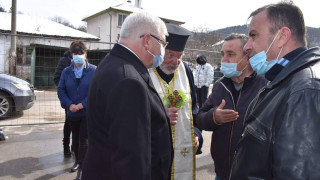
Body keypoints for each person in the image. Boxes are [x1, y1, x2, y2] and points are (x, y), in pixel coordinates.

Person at [230, 2, 320, 179]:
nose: (247, 46)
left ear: (282, 37)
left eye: (253, 36)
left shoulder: (305, 91)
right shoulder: (283, 79)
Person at [82, 11, 173, 180]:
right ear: (147, 41)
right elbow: (131, 160)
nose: (163, 49)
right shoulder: (129, 81)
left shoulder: (114, 64)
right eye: (162, 42)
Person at [196, 33, 267, 180]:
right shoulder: (219, 85)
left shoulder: (266, 87)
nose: (224, 60)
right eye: (223, 54)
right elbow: (200, 118)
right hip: (221, 172)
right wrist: (214, 117)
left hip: (251, 174)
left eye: (230, 54)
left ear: (248, 57)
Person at [149, 23, 203, 180]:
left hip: (182, 145)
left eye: (180, 56)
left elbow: (194, 107)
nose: (175, 62)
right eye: (170, 55)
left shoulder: (185, 70)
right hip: (154, 149)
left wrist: (196, 133)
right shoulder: (146, 69)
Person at [57, 40, 96, 180]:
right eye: (75, 53)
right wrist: (69, 105)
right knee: (75, 139)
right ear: (71, 55)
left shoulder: (93, 70)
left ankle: (82, 166)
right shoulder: (67, 71)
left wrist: (82, 104)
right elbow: (61, 89)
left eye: (81, 53)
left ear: (85, 55)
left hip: (87, 112)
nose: (78, 56)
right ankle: (77, 162)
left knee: (84, 140)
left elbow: (96, 91)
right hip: (72, 113)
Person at [54, 50, 72, 157]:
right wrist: (66, 90)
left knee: (80, 124)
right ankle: (66, 146)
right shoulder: (64, 61)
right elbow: (56, 78)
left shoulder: (84, 61)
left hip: (80, 99)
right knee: (69, 123)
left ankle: (76, 146)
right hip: (69, 99)